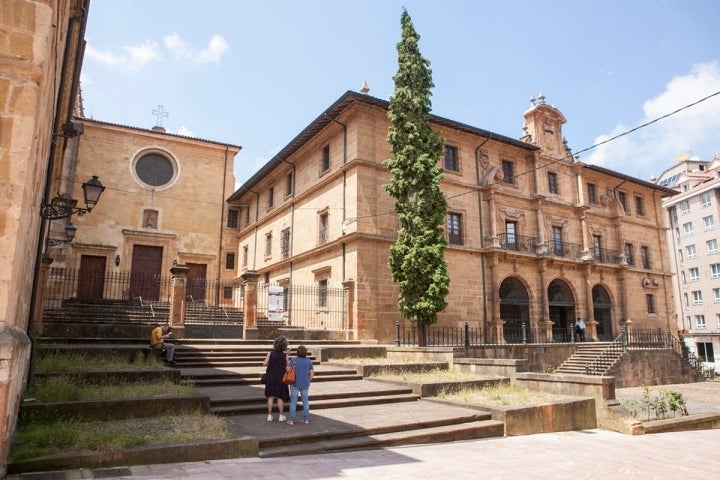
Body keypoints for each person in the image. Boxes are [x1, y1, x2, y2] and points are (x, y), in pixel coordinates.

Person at [263, 336, 290, 422]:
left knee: (270, 397)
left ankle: (269, 415)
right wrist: (287, 355)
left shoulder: (270, 353)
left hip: (271, 377)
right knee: (280, 397)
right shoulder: (285, 355)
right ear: (284, 345)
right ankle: (281, 415)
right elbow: (287, 367)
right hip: (281, 377)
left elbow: (264, 363)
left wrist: (271, 364)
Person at [287, 344, 314, 426]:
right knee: (305, 401)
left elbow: (288, 370)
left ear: (297, 352)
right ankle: (306, 419)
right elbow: (312, 373)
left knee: (293, 402)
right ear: (306, 352)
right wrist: (308, 380)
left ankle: (291, 420)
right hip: (305, 384)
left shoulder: (293, 360)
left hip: (294, 383)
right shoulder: (309, 361)